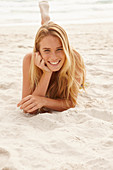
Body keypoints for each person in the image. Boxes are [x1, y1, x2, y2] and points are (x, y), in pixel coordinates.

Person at [17, 0, 86, 113]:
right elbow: (29, 109)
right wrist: (47, 73)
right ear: (38, 52)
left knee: (49, 35)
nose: (53, 57)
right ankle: (46, 20)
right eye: (46, 50)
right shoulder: (29, 59)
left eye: (60, 49)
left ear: (66, 48)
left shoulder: (75, 58)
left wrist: (43, 101)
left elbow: (70, 102)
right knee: (47, 33)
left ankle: (46, 21)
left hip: (74, 70)